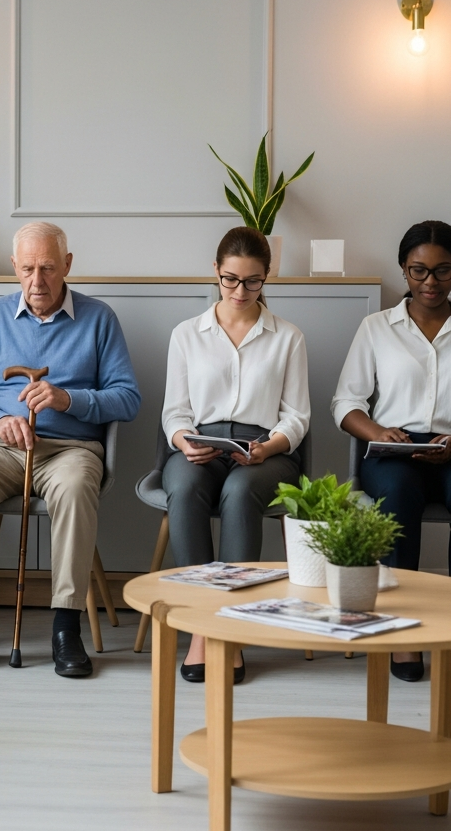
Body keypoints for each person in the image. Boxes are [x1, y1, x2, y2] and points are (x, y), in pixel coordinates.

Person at [0, 221, 141, 677]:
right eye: (28, 268)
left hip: (70, 450)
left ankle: (66, 629)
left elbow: (128, 398)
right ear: (14, 266)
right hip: (0, 448)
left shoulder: (99, 319)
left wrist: (68, 399)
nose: (37, 280)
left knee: (75, 489)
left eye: (48, 268)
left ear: (67, 265)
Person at [161, 227, 309, 684]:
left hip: (266, 450)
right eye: (230, 279)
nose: (240, 291)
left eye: (252, 281)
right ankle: (202, 627)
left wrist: (267, 447)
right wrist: (184, 440)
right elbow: (175, 411)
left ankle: (229, 630)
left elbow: (297, 417)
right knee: (184, 489)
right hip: (201, 445)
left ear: (267, 277)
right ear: (216, 272)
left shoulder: (288, 337)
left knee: (241, 493)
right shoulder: (187, 334)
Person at [332, 219, 451, 683]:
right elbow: (346, 403)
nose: (430, 282)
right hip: (393, 450)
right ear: (404, 269)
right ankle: (401, 633)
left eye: (442, 270)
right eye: (419, 270)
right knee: (398, 498)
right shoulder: (376, 327)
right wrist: (379, 430)